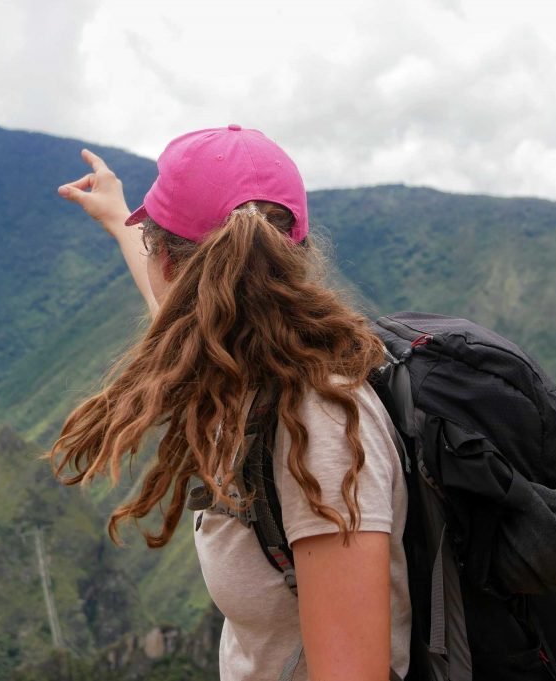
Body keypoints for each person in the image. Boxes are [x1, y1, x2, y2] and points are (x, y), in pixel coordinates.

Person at [51, 125, 411, 681]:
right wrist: (117, 216)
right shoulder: (242, 374)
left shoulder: (319, 427)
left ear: (167, 261)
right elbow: (172, 312)